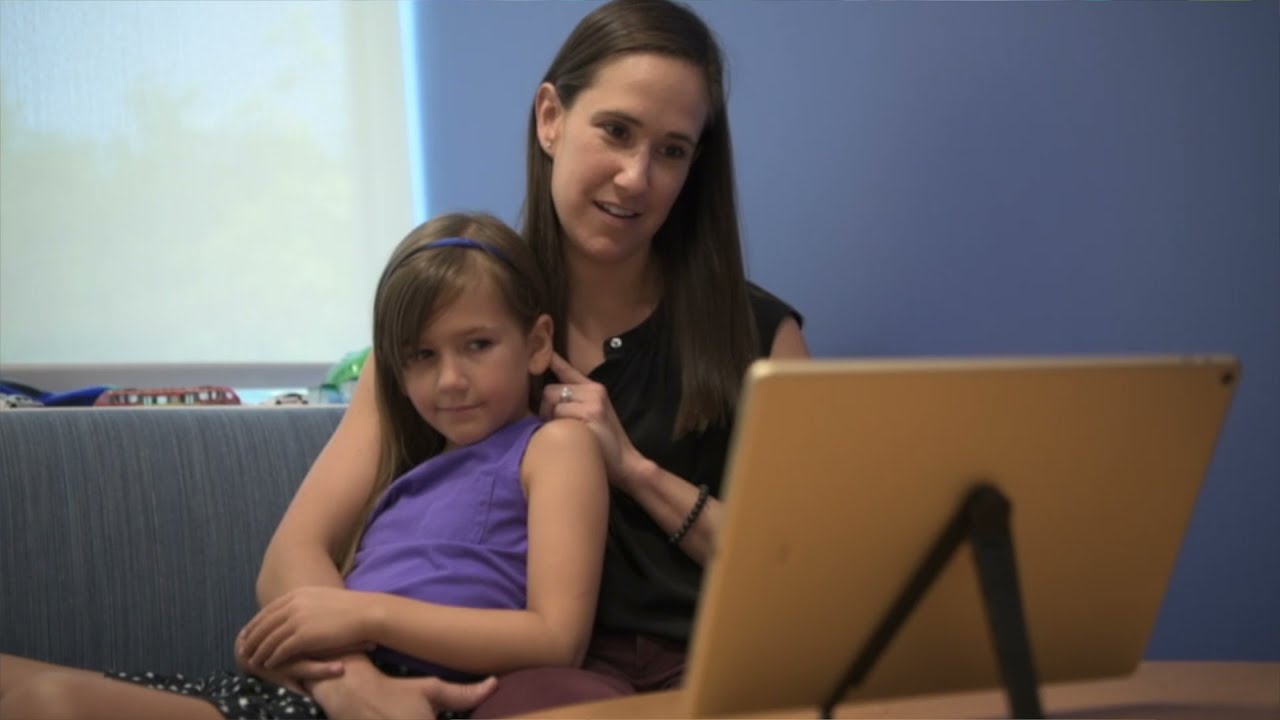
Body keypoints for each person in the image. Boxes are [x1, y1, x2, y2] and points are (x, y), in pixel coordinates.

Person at [0, 212, 609, 720]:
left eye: (478, 345)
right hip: (315, 687)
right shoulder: (413, 474)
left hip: (410, 694)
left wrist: (361, 613)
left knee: (48, 705)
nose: (449, 379)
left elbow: (557, 637)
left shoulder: (555, 448)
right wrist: (291, 642)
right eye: (422, 355)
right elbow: (292, 580)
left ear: (535, 344)